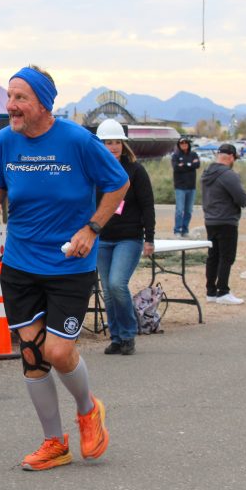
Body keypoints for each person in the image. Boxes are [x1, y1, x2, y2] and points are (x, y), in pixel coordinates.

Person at [0, 66, 129, 471]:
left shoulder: (77, 140)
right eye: (9, 97)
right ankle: (53, 443)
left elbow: (118, 183)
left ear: (43, 104)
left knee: (58, 351)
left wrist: (92, 228)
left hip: (68, 262)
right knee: (31, 353)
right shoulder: (3, 141)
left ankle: (87, 409)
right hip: (20, 263)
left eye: (20, 98)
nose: (10, 105)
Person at [94, 119, 155, 357]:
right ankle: (117, 337)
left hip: (129, 237)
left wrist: (149, 237)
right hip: (102, 237)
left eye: (117, 142)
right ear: (100, 145)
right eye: (108, 142)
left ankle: (129, 334)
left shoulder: (135, 171)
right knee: (108, 290)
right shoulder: (94, 170)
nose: (113, 146)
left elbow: (147, 204)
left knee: (117, 284)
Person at [201, 143, 246, 305]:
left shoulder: (207, 173)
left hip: (210, 219)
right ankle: (223, 291)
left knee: (213, 256)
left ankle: (211, 291)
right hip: (226, 219)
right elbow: (241, 198)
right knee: (226, 257)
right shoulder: (229, 175)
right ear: (231, 157)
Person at [171, 136, 200, 238]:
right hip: (180, 187)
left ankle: (185, 229)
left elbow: (197, 165)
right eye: (182, 143)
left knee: (188, 210)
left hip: (191, 187)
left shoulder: (193, 154)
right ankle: (177, 230)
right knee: (179, 210)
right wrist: (189, 165)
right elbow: (176, 167)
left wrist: (184, 165)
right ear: (179, 145)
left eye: (185, 143)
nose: (184, 145)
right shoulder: (175, 156)